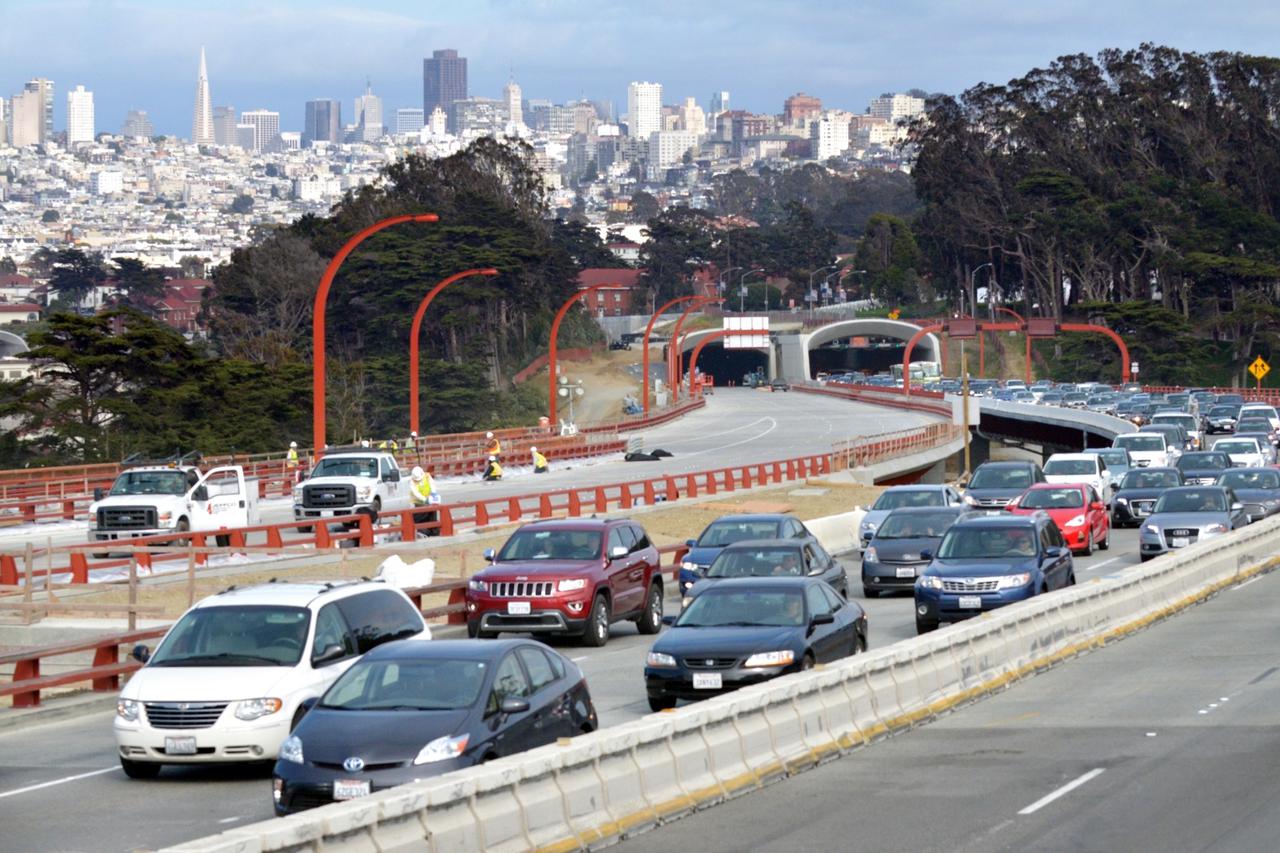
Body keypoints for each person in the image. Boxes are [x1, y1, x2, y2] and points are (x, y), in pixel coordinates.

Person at [409, 466, 439, 536]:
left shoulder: (427, 476)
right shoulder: (412, 481)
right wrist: (424, 499)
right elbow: (416, 493)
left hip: (429, 499)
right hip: (418, 502)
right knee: (421, 516)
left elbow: (432, 485)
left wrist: (433, 493)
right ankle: (422, 530)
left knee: (432, 512)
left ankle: (433, 530)